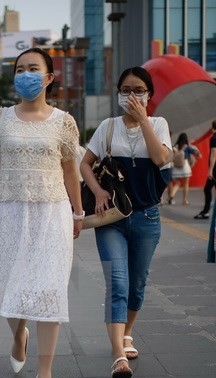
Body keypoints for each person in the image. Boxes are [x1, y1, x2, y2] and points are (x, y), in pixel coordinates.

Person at [0, 48, 83, 378]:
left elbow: (70, 171)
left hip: (53, 214)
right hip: (9, 212)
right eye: (19, 69)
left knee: (50, 291)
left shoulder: (64, 122)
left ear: (49, 77)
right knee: (13, 287)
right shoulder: (0, 118)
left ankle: (45, 371)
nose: (25, 74)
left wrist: (78, 212)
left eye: (33, 68)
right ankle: (19, 335)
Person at [80, 66, 172, 378]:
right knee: (117, 283)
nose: (131, 96)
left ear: (149, 95)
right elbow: (85, 164)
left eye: (138, 90)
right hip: (111, 218)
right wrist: (97, 190)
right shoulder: (107, 127)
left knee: (137, 285)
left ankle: (127, 332)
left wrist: (143, 118)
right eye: (125, 90)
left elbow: (161, 159)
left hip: (147, 216)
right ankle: (119, 355)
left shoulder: (158, 124)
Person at [168, 132, 201, 205]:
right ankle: (184, 200)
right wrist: (198, 153)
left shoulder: (175, 146)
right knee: (186, 183)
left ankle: (171, 196)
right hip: (184, 166)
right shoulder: (187, 147)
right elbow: (196, 153)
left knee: (177, 183)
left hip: (176, 167)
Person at [194, 119, 216, 219]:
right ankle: (205, 211)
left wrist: (210, 170)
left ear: (213, 128)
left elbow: (213, 154)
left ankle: (206, 211)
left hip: (215, 169)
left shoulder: (214, 138)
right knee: (207, 189)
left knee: (207, 189)